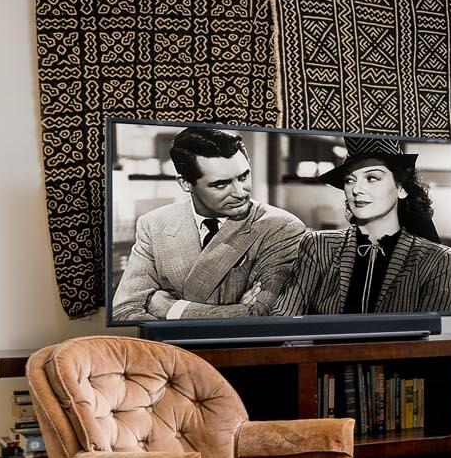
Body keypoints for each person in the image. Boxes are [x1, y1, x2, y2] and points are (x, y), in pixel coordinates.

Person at [110, 126, 307, 322]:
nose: (240, 192)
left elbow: (262, 315)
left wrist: (170, 308)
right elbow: (125, 310)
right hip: (170, 350)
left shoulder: (282, 227)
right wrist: (233, 310)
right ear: (186, 184)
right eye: (221, 184)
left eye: (244, 176)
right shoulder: (154, 225)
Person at [276, 138, 451, 316]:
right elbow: (283, 318)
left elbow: (432, 335)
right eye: (350, 180)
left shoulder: (438, 260)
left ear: (401, 188)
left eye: (372, 178)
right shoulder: (318, 246)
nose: (356, 189)